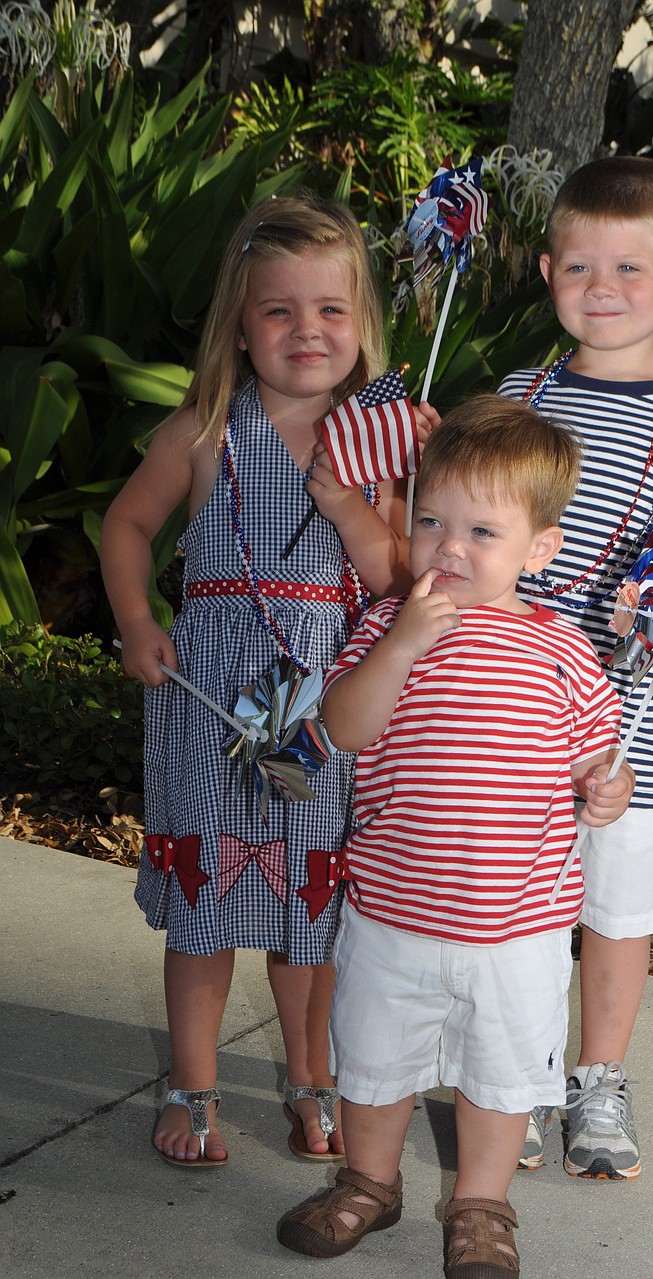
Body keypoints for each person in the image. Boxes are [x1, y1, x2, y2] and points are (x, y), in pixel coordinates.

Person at [276, 395, 635, 1274]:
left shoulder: (564, 652)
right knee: (374, 1061)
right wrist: (401, 642)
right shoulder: (384, 625)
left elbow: (601, 760)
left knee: (500, 1075)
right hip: (392, 909)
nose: (449, 547)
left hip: (517, 922)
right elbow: (344, 728)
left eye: (482, 531)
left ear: (538, 549)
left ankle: (481, 1202)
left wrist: (608, 789)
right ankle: (369, 1179)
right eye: (431, 521)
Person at [100, 195, 416, 1168]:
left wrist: (355, 507)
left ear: (361, 323)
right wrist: (139, 621)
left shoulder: (380, 447)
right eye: (279, 310)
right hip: (213, 702)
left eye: (330, 309)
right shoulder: (204, 429)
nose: (306, 329)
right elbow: (127, 525)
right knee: (209, 896)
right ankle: (192, 1084)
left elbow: (397, 580)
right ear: (240, 326)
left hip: (322, 702)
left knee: (309, 906)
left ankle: (311, 1075)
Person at [498, 155, 653, 1179]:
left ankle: (597, 1078)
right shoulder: (519, 398)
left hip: (641, 713)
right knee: (515, 897)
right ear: (547, 271)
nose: (600, 289)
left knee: (616, 909)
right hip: (523, 699)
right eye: (577, 267)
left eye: (629, 268)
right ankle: (514, 1074)